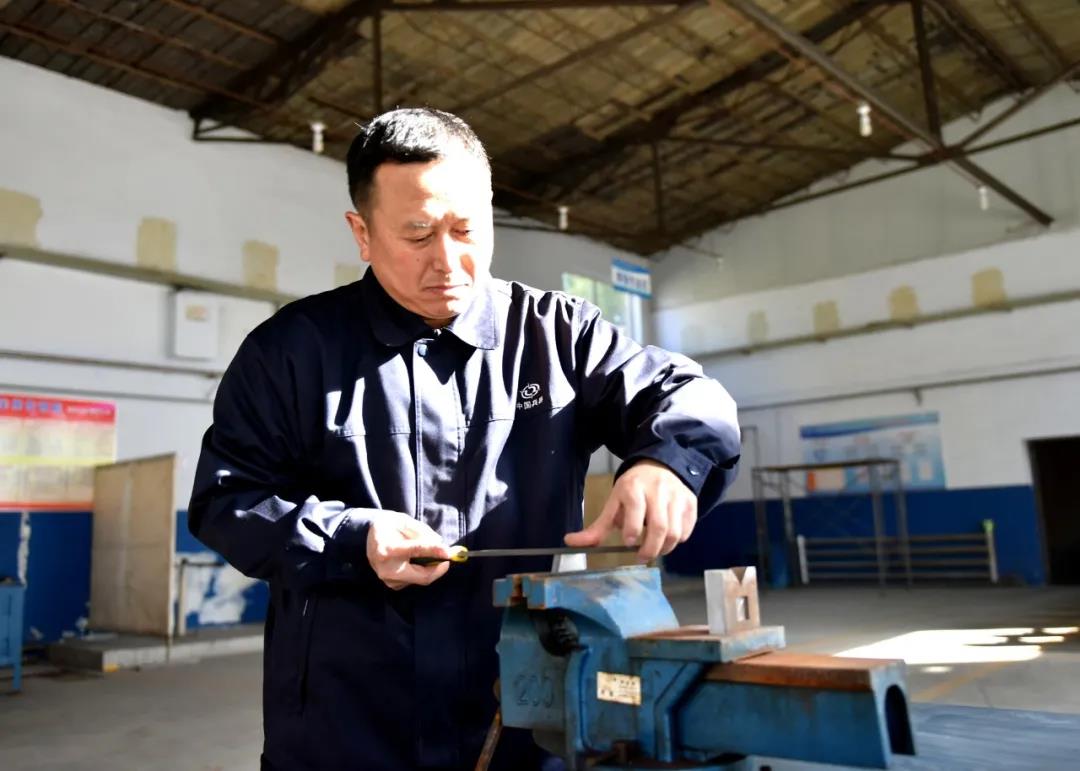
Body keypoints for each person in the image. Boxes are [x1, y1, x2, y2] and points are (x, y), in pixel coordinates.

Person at [188, 107, 741, 771]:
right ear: (362, 233)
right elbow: (227, 499)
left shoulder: (557, 336)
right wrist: (351, 538)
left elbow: (689, 395)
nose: (447, 261)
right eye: (418, 234)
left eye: (465, 229)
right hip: (344, 728)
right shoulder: (290, 353)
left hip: (526, 717)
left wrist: (668, 461)